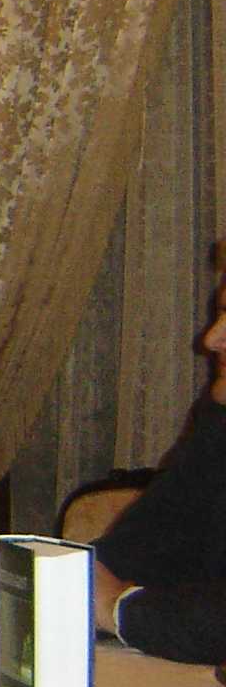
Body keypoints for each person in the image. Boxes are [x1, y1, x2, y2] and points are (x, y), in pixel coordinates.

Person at [94, 267, 226, 663]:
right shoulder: (219, 420)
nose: (211, 339)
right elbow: (146, 543)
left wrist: (118, 608)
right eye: (221, 313)